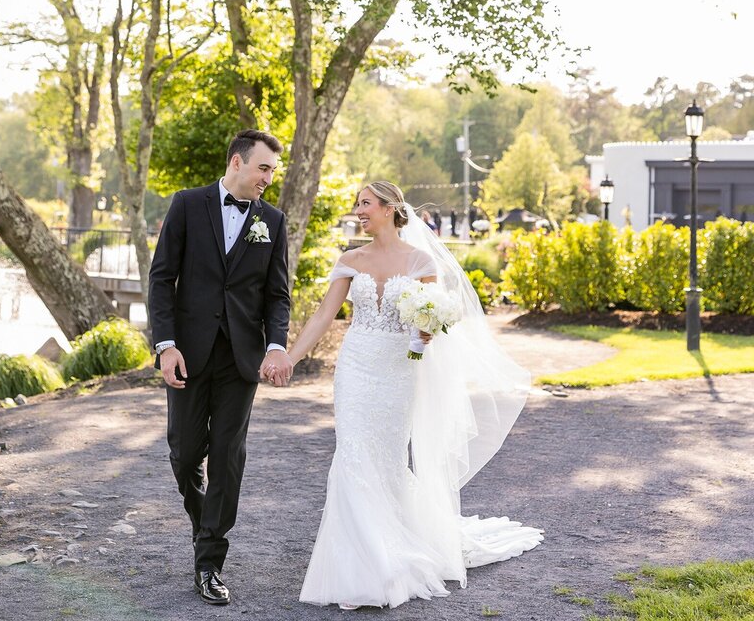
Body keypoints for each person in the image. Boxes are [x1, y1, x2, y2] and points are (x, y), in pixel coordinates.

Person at [282, 180, 542, 611]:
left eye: (365, 204)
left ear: (388, 209)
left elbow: (430, 328)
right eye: (357, 205)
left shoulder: (421, 260)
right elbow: (323, 317)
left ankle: (394, 547)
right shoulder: (349, 260)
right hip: (357, 367)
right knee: (352, 453)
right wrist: (290, 358)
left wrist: (424, 335)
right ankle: (365, 564)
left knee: (385, 457)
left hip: (398, 371)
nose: (358, 211)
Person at [148, 129, 292, 606]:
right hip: (187, 353)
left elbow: (276, 296)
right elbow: (162, 277)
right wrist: (165, 346)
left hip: (240, 359)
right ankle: (204, 523)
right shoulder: (188, 205)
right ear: (237, 162)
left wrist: (275, 347)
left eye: (273, 170)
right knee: (185, 454)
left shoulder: (272, 220)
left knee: (228, 456)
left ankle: (209, 561)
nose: (269, 178)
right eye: (263, 168)